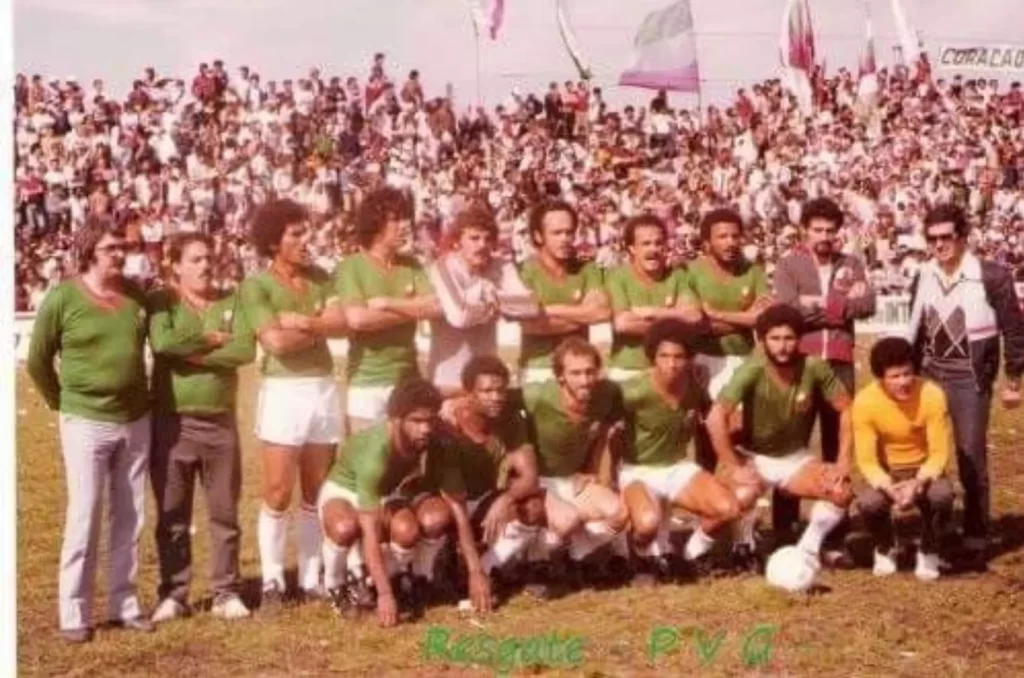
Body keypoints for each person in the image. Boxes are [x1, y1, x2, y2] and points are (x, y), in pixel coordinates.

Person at [27, 217, 154, 643]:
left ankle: (125, 604)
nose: (120, 254)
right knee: (85, 515)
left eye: (122, 247)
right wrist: (62, 403)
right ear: (88, 253)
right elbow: (38, 361)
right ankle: (73, 613)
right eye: (110, 248)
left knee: (130, 516)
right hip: (85, 421)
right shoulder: (63, 298)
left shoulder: (136, 296)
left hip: (135, 419)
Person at [239, 199, 348, 609]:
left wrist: (304, 322)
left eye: (307, 232)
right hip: (284, 392)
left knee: (315, 490)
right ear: (273, 242)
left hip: (322, 388)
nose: (306, 241)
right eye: (296, 234)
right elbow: (275, 343)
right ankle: (271, 581)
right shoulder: (257, 285)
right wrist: (321, 325)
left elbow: (344, 323)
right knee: (278, 489)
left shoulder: (321, 276)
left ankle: (309, 576)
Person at [903, 203, 1024, 569]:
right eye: (933, 238)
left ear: (963, 237)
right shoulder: (923, 274)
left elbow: (1014, 330)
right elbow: (914, 326)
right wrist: (905, 373)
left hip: (969, 377)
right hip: (928, 374)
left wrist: (1014, 379)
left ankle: (975, 535)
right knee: (925, 454)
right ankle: (933, 531)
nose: (940, 245)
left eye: (947, 237)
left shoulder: (992, 275)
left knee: (970, 455)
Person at [147, 234, 256, 623]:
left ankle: (226, 592)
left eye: (209, 257)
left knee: (224, 512)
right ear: (175, 265)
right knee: (173, 514)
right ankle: (174, 594)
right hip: (172, 423)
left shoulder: (232, 299)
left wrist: (190, 356)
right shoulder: (162, 301)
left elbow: (245, 350)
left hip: (220, 422)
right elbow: (162, 342)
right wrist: (209, 341)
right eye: (195, 259)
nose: (205, 265)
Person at [705, 304, 854, 571]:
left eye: (789, 338)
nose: (783, 346)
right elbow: (716, 417)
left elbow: (847, 409)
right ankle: (740, 547)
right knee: (741, 495)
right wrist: (732, 465)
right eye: (775, 339)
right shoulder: (752, 369)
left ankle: (807, 550)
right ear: (762, 341)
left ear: (799, 339)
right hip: (753, 457)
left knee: (841, 492)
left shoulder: (814, 366)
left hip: (794, 460)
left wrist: (843, 461)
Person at [771, 197, 876, 559]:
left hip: (841, 362)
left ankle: (835, 531)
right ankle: (783, 529)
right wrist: (838, 306)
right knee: (790, 448)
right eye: (817, 230)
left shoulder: (851, 263)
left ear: (839, 233)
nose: (824, 236)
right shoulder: (789, 264)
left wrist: (815, 305)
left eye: (831, 231)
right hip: (801, 364)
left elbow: (868, 305)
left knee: (838, 448)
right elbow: (787, 311)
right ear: (805, 231)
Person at [316, 379, 467, 626]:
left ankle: (390, 578)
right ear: (396, 418)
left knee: (407, 531)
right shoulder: (375, 454)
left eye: (430, 420)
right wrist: (386, 597)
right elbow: (370, 531)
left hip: (385, 491)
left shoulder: (434, 432)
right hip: (344, 491)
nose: (425, 429)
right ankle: (334, 583)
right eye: (416, 421)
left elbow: (455, 502)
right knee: (346, 528)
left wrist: (474, 572)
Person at [618, 319, 740, 585]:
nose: (671, 364)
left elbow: (712, 418)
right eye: (664, 356)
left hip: (675, 466)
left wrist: (728, 460)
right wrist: (602, 477)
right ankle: (640, 553)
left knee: (729, 508)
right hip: (637, 470)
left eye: (678, 357)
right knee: (647, 523)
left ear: (689, 358)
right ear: (652, 356)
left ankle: (691, 553)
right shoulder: (631, 391)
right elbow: (605, 430)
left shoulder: (695, 384)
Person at [521, 337, 629, 597]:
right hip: (542, 482)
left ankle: (579, 553)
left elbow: (605, 435)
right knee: (568, 520)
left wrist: (596, 474)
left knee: (621, 513)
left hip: (574, 478)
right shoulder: (537, 395)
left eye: (590, 371)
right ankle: (538, 559)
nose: (584, 380)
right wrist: (454, 402)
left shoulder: (607, 394)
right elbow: (495, 398)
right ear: (560, 376)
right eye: (575, 373)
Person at [436, 356, 545, 595]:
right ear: (467, 393)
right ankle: (432, 567)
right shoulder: (448, 425)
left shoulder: (510, 419)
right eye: (486, 391)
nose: (495, 397)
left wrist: (505, 500)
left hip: (485, 498)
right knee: (436, 518)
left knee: (534, 507)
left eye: (500, 390)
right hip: (449, 502)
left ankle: (490, 566)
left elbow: (530, 477)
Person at [336, 187, 440, 430]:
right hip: (366, 383)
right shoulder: (351, 267)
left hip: (407, 380)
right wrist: (412, 308)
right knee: (368, 464)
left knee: (409, 464)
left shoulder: (411, 265)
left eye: (406, 218)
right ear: (375, 224)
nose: (405, 226)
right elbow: (359, 320)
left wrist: (388, 303)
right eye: (396, 219)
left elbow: (435, 307)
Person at [853, 337, 955, 581]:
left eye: (907, 374)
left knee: (942, 496)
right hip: (888, 471)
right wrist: (888, 486)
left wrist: (918, 483)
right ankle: (885, 546)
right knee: (868, 502)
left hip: (923, 468)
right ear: (881, 378)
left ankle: (929, 547)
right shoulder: (866, 402)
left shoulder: (932, 394)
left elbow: (939, 452)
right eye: (895, 377)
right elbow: (866, 461)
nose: (903, 382)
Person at [426, 204, 538, 396]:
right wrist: (492, 300)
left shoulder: (501, 266)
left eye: (487, 239)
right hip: (448, 380)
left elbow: (529, 307)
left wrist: (489, 296)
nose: (482, 245)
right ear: (458, 241)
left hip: (486, 380)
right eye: (474, 238)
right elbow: (459, 316)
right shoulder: (444, 266)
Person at [517, 200, 610, 385]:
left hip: (580, 369)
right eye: (557, 233)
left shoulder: (588, 269)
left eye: (569, 232)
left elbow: (601, 313)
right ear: (538, 236)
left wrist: (548, 310)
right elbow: (529, 324)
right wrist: (580, 314)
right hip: (538, 368)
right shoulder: (524, 272)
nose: (565, 238)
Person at [685, 208, 772, 400]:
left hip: (744, 357)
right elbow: (696, 325)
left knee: (742, 425)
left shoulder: (754, 272)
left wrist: (716, 315)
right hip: (701, 359)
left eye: (735, 236)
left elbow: (763, 318)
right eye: (722, 237)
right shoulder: (690, 272)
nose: (731, 242)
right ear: (707, 242)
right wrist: (744, 319)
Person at [605, 214, 700, 383]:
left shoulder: (677, 276)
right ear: (632, 248)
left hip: (670, 369)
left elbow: (694, 317)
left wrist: (650, 312)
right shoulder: (617, 277)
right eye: (646, 244)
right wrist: (675, 318)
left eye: (659, 243)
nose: (653, 249)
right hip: (628, 368)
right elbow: (623, 324)